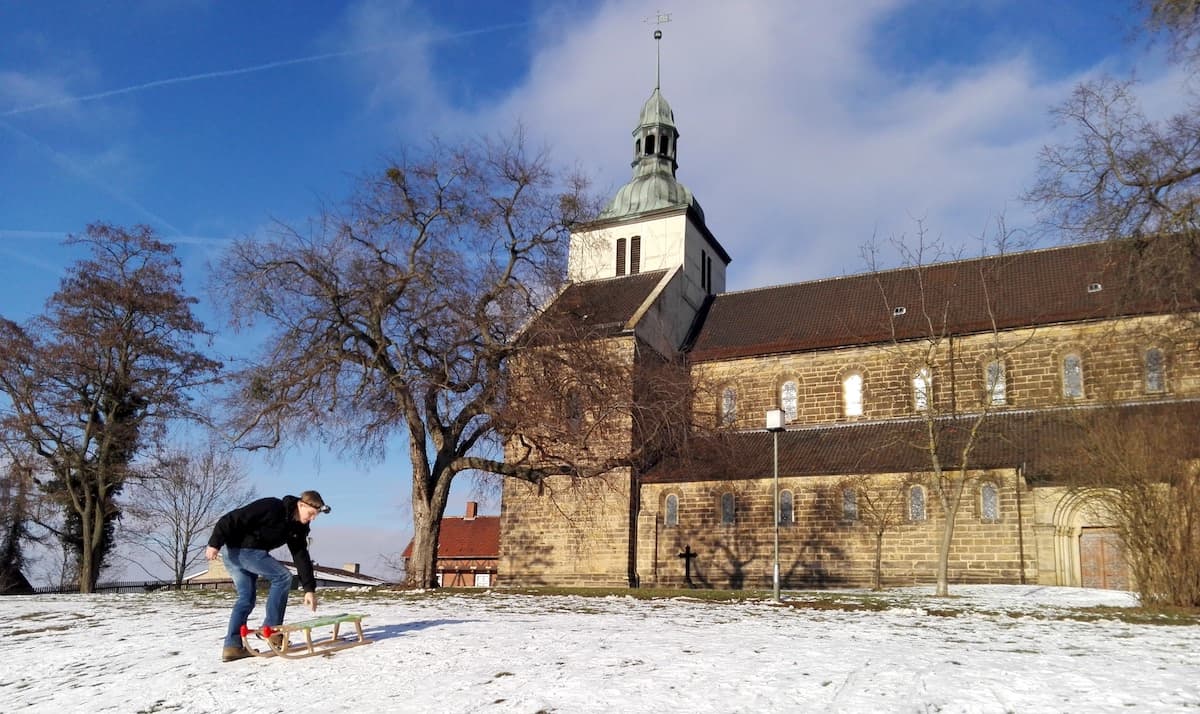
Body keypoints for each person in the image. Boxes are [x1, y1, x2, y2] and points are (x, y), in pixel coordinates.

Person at [205, 490, 330, 662]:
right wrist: (214, 543)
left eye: (315, 516)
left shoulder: (298, 528)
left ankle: (232, 647)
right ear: (301, 505)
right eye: (311, 514)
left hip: (240, 554)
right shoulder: (272, 507)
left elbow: (300, 555)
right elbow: (232, 518)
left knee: (246, 599)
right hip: (241, 550)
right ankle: (272, 630)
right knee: (283, 577)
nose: (312, 519)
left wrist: (309, 589)